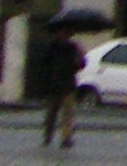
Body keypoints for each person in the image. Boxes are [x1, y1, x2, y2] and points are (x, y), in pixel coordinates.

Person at [28, 18, 85, 149]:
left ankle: (66, 138)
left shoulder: (73, 48)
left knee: (67, 114)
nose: (65, 35)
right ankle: (48, 135)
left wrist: (80, 57)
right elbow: (43, 64)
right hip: (53, 85)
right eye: (63, 32)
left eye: (67, 33)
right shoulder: (51, 47)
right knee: (51, 114)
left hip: (68, 85)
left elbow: (81, 65)